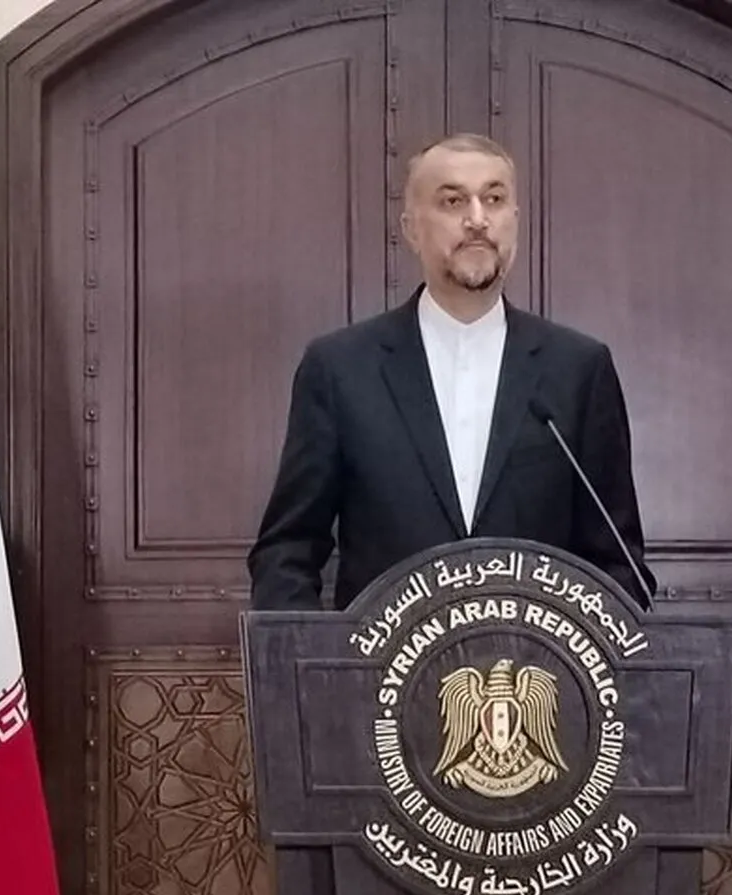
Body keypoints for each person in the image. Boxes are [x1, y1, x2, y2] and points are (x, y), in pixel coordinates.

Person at [247, 133, 655, 612]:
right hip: (382, 658)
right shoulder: (340, 368)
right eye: (453, 201)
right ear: (411, 229)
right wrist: (306, 653)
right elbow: (287, 551)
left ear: (515, 220)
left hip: (534, 659)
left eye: (494, 199)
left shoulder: (579, 369)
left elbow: (617, 564)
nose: (478, 219)